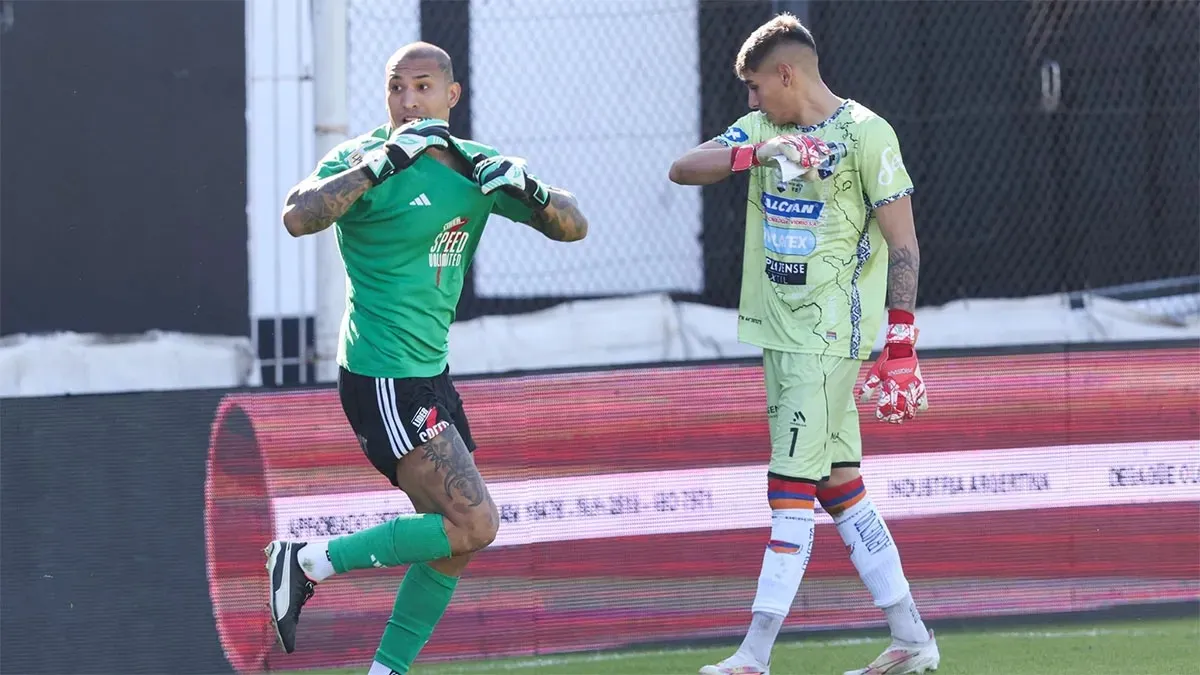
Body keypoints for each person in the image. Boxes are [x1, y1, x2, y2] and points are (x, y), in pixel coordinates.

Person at [264, 41, 589, 675]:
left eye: (422, 87)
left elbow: (573, 226)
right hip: (383, 375)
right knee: (475, 524)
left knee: (453, 542)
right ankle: (305, 561)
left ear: (451, 96)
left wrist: (532, 189)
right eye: (396, 88)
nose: (409, 101)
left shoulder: (475, 167)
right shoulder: (363, 159)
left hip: (431, 374)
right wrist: (380, 165)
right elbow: (298, 216)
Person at [668, 13, 938, 675]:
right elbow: (682, 168)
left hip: (826, 340)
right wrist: (756, 154)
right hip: (781, 337)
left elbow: (903, 243)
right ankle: (912, 638)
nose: (752, 100)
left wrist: (901, 342)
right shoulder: (764, 132)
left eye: (756, 86)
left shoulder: (867, 134)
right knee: (840, 485)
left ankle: (754, 654)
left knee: (788, 487)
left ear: (785, 74)